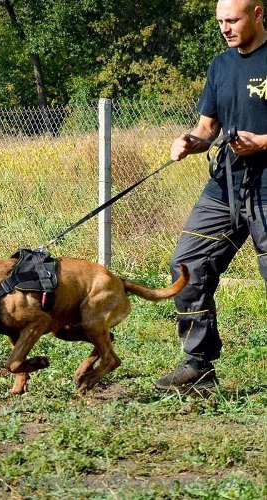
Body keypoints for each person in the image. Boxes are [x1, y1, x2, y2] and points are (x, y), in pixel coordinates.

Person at [154, 0, 267, 390]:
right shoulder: (220, 65)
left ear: (257, 14)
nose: (225, 28)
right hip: (225, 187)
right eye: (220, 21)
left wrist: (264, 141)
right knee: (189, 263)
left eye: (232, 20)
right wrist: (190, 141)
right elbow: (207, 127)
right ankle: (198, 365)